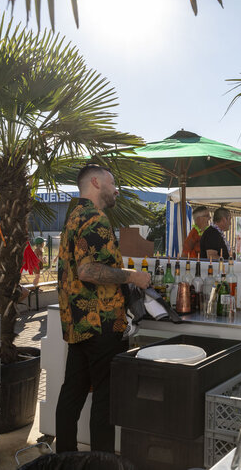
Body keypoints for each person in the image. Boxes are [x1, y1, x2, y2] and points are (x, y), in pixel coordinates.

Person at [55, 164, 151, 453]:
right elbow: (87, 270)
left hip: (77, 324)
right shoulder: (96, 218)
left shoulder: (74, 217)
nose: (116, 189)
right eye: (112, 182)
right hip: (102, 324)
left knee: (71, 397)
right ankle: (101, 463)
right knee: (104, 402)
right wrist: (133, 276)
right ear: (95, 182)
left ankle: (66, 460)